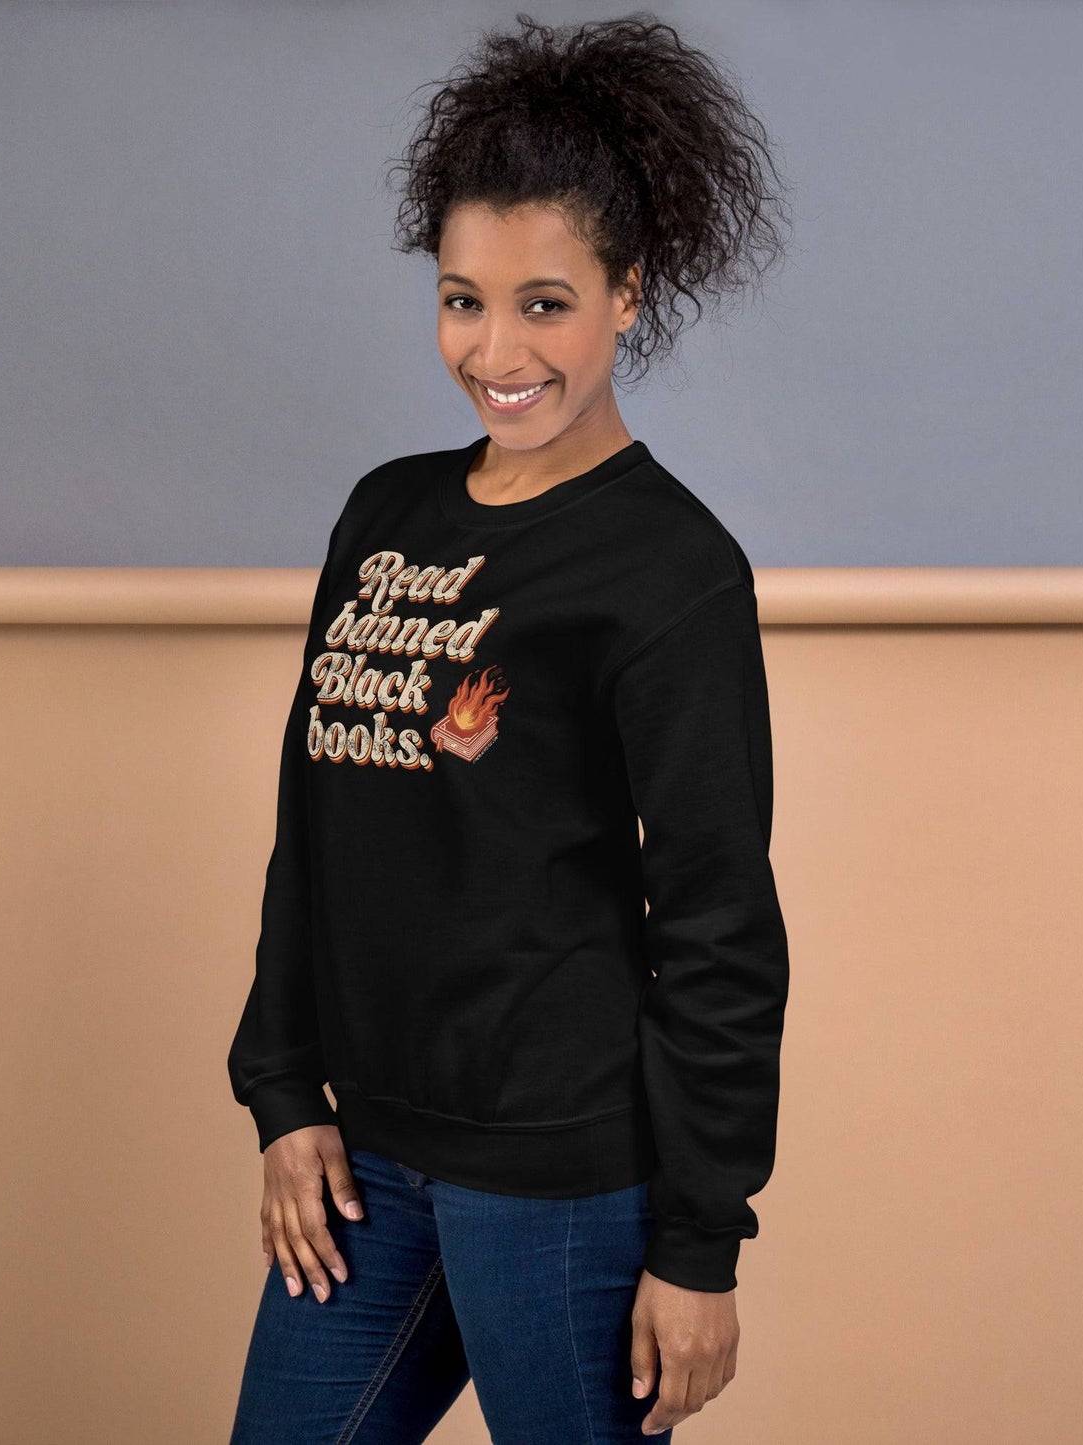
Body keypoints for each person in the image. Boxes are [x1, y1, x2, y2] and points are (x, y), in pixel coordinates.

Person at [226, 12, 792, 1442]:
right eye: (461, 299)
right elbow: (316, 823)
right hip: (369, 1153)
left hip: (562, 1180)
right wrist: (283, 1087)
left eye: (545, 302)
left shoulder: (667, 568)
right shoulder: (386, 511)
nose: (496, 348)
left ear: (625, 295)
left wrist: (696, 1240)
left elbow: (720, 916)